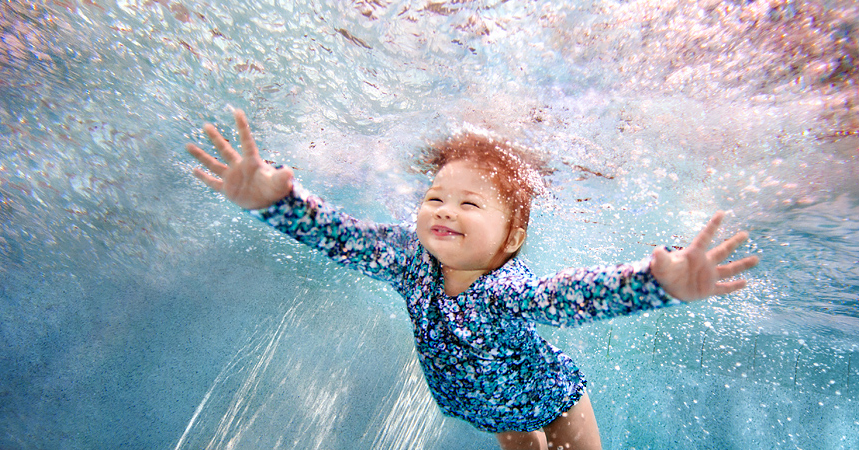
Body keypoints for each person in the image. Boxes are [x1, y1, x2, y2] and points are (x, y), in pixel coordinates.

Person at [185, 109, 759, 450]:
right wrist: (276, 203)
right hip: (484, 408)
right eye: (434, 197)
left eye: (468, 204)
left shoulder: (508, 290)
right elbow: (341, 236)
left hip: (553, 398)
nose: (443, 210)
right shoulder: (406, 261)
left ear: (511, 239)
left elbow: (576, 298)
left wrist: (659, 283)